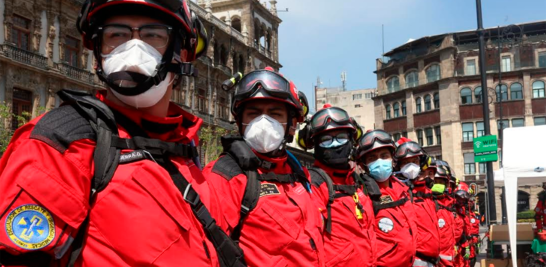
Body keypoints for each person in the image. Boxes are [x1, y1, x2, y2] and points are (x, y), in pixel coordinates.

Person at [0, 0, 243, 266]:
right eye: (117, 35)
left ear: (182, 55)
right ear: (97, 53)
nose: (134, 48)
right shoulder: (61, 143)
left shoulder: (185, 147)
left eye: (153, 35)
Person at [201, 68, 327, 266]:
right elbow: (206, 253)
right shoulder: (225, 176)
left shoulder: (298, 173)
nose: (264, 122)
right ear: (240, 120)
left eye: (275, 114)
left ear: (291, 123)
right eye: (254, 113)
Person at [298, 104, 376, 266]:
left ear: (351, 140)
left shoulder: (358, 181)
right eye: (326, 140)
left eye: (341, 137)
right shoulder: (314, 182)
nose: (335, 144)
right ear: (315, 144)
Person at [354, 129, 417, 267]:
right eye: (372, 158)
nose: (380, 161)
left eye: (384, 156)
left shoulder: (403, 190)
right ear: (363, 164)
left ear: (392, 159)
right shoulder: (362, 193)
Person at [394, 140, 440, 267]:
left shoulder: (426, 192)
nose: (411, 166)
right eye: (406, 162)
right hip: (416, 259)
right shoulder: (400, 192)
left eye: (414, 162)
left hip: (432, 258)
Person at [431, 162, 457, 267]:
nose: (437, 185)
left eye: (440, 182)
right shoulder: (428, 202)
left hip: (449, 257)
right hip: (437, 260)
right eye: (435, 182)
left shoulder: (449, 204)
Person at [453, 182, 471, 267]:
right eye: (460, 198)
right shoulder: (450, 209)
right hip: (453, 247)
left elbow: (464, 229)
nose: (462, 200)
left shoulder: (462, 211)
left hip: (462, 246)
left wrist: (466, 244)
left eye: (464, 198)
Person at [468, 198, 481, 267]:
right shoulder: (464, 214)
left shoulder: (475, 215)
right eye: (469, 202)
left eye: (471, 202)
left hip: (474, 241)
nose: (470, 204)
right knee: (468, 259)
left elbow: (476, 228)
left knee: (473, 258)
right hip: (467, 241)